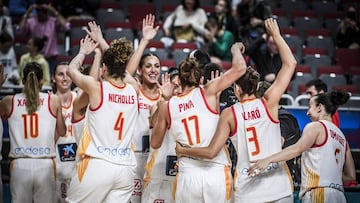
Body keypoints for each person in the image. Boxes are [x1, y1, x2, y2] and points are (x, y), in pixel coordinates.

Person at [175, 18, 296, 202]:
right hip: (278, 188)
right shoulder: (269, 102)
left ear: (236, 89)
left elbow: (210, 152)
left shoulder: (230, 113)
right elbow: (290, 64)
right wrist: (276, 35)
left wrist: (183, 151)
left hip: (248, 191)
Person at [151, 40, 247, 203]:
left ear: (178, 81)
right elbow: (240, 68)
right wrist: (235, 49)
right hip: (216, 173)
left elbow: (155, 143)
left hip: (188, 175)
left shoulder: (167, 106)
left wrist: (163, 100)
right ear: (201, 78)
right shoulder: (208, 92)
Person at [65, 35, 139, 202]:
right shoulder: (134, 88)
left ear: (104, 68)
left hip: (98, 164)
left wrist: (83, 52)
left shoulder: (97, 88)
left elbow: (71, 70)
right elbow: (125, 74)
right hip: (125, 168)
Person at [248, 91, 356, 203]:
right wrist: (329, 178)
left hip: (319, 192)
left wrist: (268, 159)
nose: (308, 113)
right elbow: (351, 176)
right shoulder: (342, 138)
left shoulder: (316, 127)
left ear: (319, 107)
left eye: (310, 107)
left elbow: (297, 149)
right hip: (339, 195)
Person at [0, 61, 65, 203]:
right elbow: (62, 130)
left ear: (23, 80)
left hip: (19, 165)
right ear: (42, 81)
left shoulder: (9, 101)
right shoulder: (53, 100)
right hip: (45, 164)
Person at [142, 67, 181, 203]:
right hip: (158, 170)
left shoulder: (187, 109)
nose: (177, 90)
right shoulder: (158, 105)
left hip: (180, 170)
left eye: (180, 86)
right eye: (174, 86)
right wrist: (164, 99)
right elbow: (153, 122)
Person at [19, 0, 70, 76]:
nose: (40, 13)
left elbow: (67, 27)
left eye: (43, 10)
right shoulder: (31, 21)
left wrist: (53, 10)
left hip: (51, 59)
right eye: (38, 10)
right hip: (35, 58)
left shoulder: (53, 21)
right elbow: (20, 30)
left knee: (51, 83)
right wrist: (28, 12)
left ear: (47, 11)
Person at [52, 61, 78, 203]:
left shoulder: (79, 98)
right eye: (60, 74)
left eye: (68, 74)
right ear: (53, 78)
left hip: (77, 164)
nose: (65, 78)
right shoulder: (49, 101)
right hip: (57, 163)